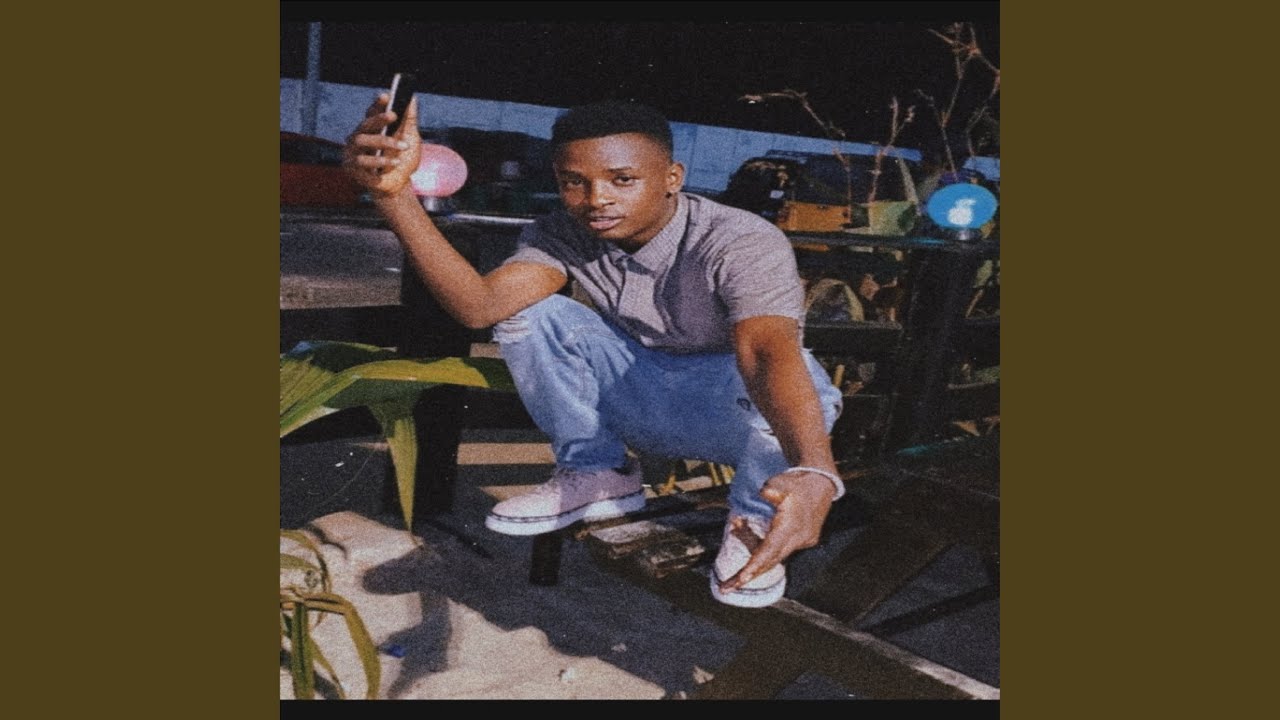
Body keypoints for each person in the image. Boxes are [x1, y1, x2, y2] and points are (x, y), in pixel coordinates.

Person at [342, 95, 845, 608]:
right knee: (532, 312)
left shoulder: (739, 239)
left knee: (797, 370)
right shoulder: (564, 233)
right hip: (643, 402)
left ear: (672, 177)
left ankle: (755, 519)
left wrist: (815, 469)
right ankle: (597, 471)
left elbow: (765, 353)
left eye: (622, 179)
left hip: (739, 419)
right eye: (573, 182)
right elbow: (480, 307)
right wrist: (393, 196)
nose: (596, 199)